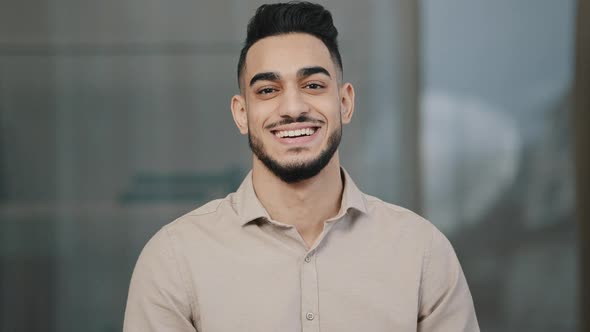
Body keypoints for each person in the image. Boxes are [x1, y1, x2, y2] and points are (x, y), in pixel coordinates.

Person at [123, 2, 480, 331]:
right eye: (267, 90)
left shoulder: (422, 252)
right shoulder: (174, 259)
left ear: (344, 102)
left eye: (312, 85)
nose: (292, 107)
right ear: (242, 113)